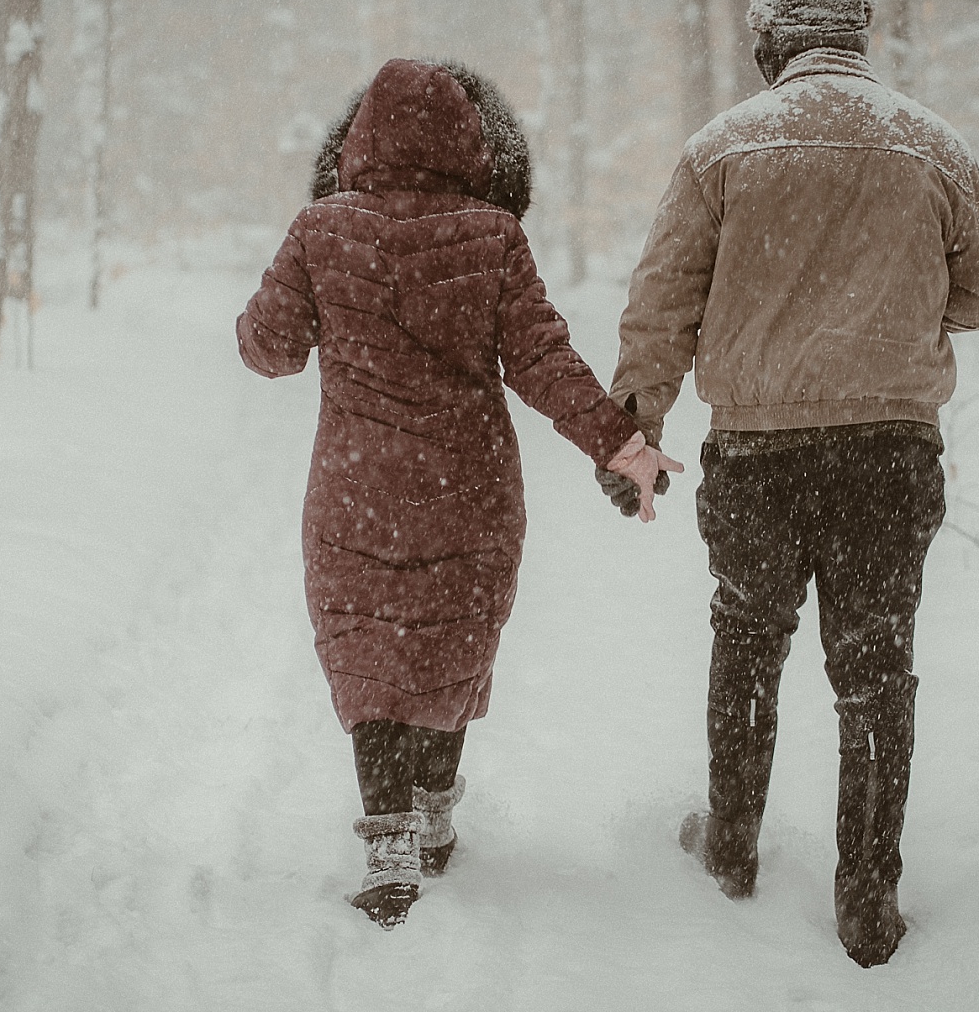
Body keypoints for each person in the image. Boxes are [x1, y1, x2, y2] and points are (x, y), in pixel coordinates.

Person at [602, 0, 979, 966]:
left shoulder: (723, 149)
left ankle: (734, 852)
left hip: (757, 449)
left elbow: (663, 302)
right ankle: (869, 899)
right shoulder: (930, 144)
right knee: (875, 669)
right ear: (858, 35)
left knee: (748, 636)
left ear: (770, 41)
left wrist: (636, 425)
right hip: (888, 447)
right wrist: (907, 307)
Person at [238, 57, 680, 929]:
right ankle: (435, 803)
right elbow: (544, 361)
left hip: (356, 486)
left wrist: (286, 309)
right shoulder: (492, 236)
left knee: (368, 651)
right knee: (450, 637)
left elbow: (269, 350)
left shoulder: (319, 229)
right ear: (470, 143)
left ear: (359, 137)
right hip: (468, 487)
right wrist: (622, 443)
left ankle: (388, 834)